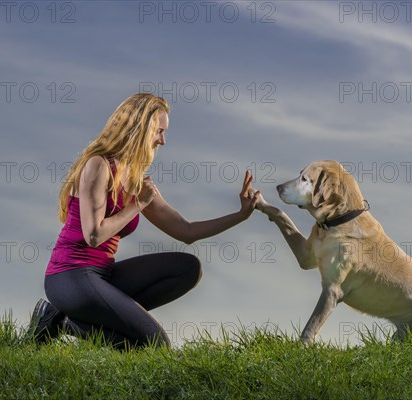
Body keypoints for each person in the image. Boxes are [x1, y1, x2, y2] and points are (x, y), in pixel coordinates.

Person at [29, 93, 260, 350]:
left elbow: (186, 231)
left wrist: (240, 215)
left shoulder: (136, 179)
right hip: (69, 278)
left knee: (188, 268)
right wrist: (137, 205)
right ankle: (60, 321)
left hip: (103, 275)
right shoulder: (98, 165)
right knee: (156, 345)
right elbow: (93, 234)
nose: (163, 140)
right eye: (159, 131)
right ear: (140, 129)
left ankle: (69, 322)